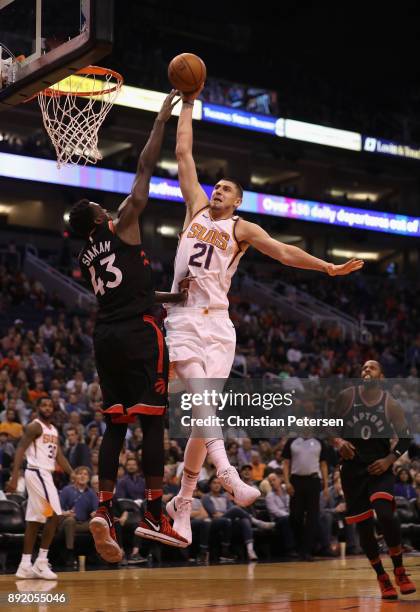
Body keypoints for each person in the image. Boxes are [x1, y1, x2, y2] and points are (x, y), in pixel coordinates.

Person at [166, 83, 364, 545]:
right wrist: (189, 106)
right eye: (216, 186)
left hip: (219, 324)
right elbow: (183, 152)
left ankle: (182, 500)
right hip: (183, 315)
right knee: (202, 402)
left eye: (226, 189)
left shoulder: (242, 228)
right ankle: (229, 473)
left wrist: (327, 266)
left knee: (201, 415)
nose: (216, 190)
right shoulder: (194, 207)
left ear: (238, 201)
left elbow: (284, 253)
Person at [68, 91, 187, 562]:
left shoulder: (86, 256)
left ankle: (103, 507)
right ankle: (155, 513)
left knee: (116, 424)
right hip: (139, 333)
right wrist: (160, 119)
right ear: (100, 216)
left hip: (107, 337)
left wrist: (171, 296)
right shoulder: (124, 223)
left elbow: (125, 290)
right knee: (154, 421)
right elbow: (144, 168)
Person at [334, 360, 416, 600]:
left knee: (387, 514)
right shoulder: (347, 397)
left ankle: (400, 570)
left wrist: (390, 460)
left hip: (379, 468)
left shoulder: (390, 404)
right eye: (363, 368)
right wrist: (338, 442)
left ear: (381, 376)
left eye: (371, 368)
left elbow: (404, 438)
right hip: (352, 471)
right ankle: (382, 577)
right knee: (364, 528)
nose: (365, 370)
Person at [7, 396, 74, 579]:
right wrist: (14, 478)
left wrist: (71, 472)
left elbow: (59, 455)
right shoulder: (34, 426)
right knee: (54, 515)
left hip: (45, 475)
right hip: (36, 472)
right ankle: (41, 562)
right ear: (37, 408)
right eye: (43, 405)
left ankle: (25, 565)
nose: (47, 408)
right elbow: (20, 449)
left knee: (35, 521)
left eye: (50, 405)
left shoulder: (53, 429)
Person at [282, 432, 330, 561]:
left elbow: (324, 465)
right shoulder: (292, 441)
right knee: (295, 516)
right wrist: (286, 482)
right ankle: (301, 546)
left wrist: (325, 486)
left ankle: (307, 551)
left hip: (313, 481)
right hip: (296, 481)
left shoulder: (320, 442)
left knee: (312, 518)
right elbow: (286, 463)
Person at [58, 466, 98, 567]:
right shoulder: (66, 490)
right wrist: (66, 512)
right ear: (75, 476)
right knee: (70, 520)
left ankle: (96, 553)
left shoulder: (91, 493)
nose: (82, 476)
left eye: (85, 474)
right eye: (80, 474)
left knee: (98, 521)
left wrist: (95, 513)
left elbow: (96, 510)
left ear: (88, 478)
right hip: (67, 522)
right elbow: (58, 510)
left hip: (83, 523)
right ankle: (69, 553)